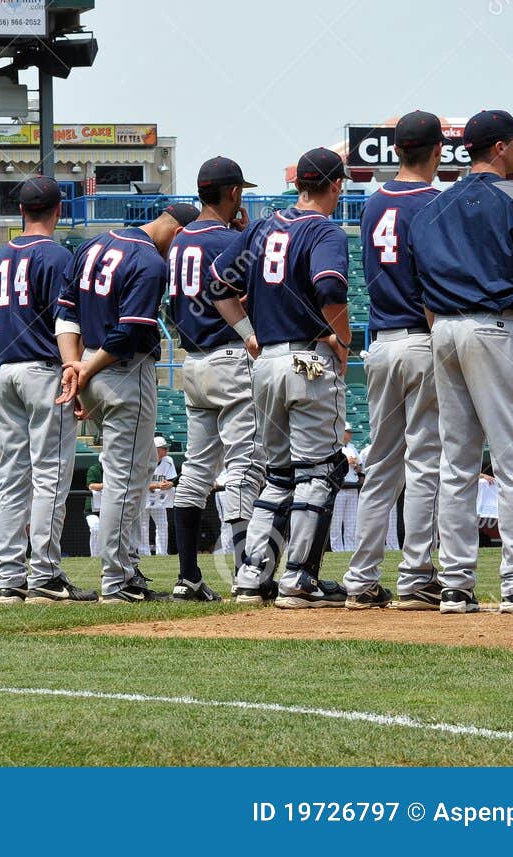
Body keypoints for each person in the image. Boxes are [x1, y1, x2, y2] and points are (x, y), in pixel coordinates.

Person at [412, 109, 513, 614]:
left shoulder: (431, 209)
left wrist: (443, 328)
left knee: (456, 463)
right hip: (496, 328)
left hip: (444, 330)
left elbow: (423, 291)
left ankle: (456, 584)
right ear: (501, 147)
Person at [211, 148, 353, 609]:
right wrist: (342, 339)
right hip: (306, 359)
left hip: (265, 361)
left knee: (278, 475)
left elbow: (217, 287)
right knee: (321, 470)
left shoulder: (261, 226)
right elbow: (330, 288)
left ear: (299, 186)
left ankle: (252, 575)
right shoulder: (324, 229)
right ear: (334, 186)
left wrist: (249, 333)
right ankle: (298, 579)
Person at [58, 204, 197, 602]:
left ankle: (127, 570)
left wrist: (75, 363)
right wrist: (85, 368)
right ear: (177, 231)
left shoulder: (94, 244)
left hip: (90, 368)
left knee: (130, 474)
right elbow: (130, 333)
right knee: (125, 480)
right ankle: (117, 581)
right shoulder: (150, 261)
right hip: (121, 372)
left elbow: (65, 312)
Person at [347, 111, 445, 609]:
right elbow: (431, 281)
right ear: (438, 151)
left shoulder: (371, 203)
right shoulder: (434, 203)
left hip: (380, 344)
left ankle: (361, 578)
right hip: (421, 340)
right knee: (425, 463)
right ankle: (415, 577)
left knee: (382, 465)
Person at [0, 176, 96, 604]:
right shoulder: (57, 255)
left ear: (20, 212)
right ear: (58, 210)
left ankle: (10, 576)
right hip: (44, 371)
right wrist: (80, 375)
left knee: (13, 477)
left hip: (8, 372)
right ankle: (45, 575)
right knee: (50, 476)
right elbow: (68, 323)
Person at [167, 155, 260, 600]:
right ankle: (246, 573)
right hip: (228, 356)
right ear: (234, 193)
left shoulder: (181, 238)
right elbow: (242, 291)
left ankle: (188, 576)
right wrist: (243, 234)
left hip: (192, 364)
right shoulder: (227, 238)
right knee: (243, 465)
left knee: (197, 471)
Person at [143, 436, 177, 555]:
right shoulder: (143, 459)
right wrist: (157, 485)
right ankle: (144, 553)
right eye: (163, 448)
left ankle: (162, 553)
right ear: (155, 449)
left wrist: (170, 483)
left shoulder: (168, 460)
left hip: (159, 499)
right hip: (143, 498)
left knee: (162, 525)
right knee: (143, 526)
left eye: (166, 447)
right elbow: (139, 483)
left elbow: (172, 479)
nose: (166, 450)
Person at [330, 428, 361, 552]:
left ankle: (350, 549)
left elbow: (359, 468)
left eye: (350, 432)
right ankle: (337, 549)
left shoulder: (352, 448)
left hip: (353, 487)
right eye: (347, 431)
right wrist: (347, 460)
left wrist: (357, 465)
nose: (350, 434)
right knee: (336, 522)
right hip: (340, 489)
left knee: (351, 522)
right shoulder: (335, 447)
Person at [85, 460, 103, 558]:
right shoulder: (94, 469)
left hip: (107, 508)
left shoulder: (114, 470)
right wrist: (106, 486)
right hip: (92, 509)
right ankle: (95, 556)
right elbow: (91, 485)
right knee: (96, 528)